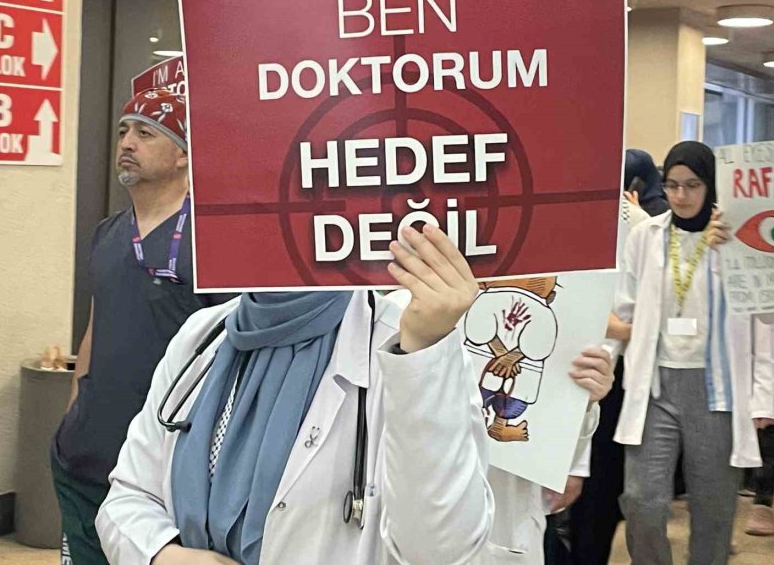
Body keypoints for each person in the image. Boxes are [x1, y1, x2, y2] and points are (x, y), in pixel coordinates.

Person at [95, 224, 615, 564]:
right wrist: (162, 553)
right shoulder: (204, 335)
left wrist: (423, 352)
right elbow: (126, 498)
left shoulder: (404, 340)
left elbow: (440, 550)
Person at [51, 88, 235, 565]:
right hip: (84, 459)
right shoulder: (107, 233)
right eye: (123, 131)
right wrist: (74, 411)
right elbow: (97, 324)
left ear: (184, 154)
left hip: (163, 472)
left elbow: (236, 355)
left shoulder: (215, 241)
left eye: (146, 133)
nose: (127, 143)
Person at [613, 140, 774, 565]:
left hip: (717, 391)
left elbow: (765, 319)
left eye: (692, 185)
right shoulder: (645, 236)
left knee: (713, 507)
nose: (681, 195)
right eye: (672, 185)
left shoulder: (737, 237)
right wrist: (602, 362)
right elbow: (623, 307)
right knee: (643, 501)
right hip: (655, 386)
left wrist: (764, 395)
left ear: (710, 185)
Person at [563, 147, 668, 564]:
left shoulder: (639, 224)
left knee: (597, 490)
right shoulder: (557, 215)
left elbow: (645, 306)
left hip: (610, 371)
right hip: (560, 360)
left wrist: (612, 326)